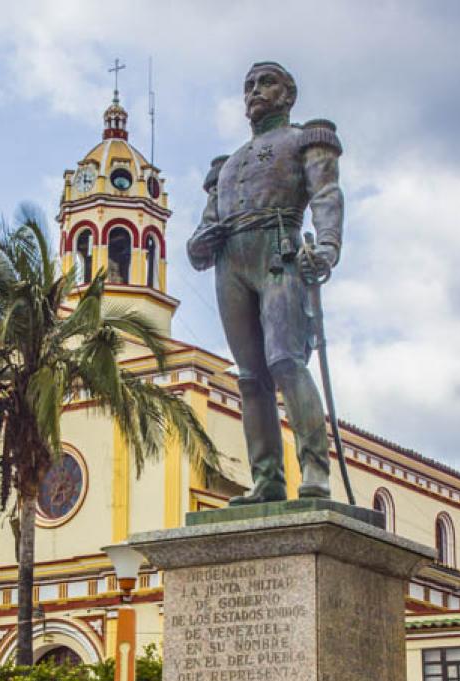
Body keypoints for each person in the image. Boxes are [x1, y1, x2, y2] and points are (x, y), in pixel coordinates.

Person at [187, 61, 344, 503]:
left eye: (266, 82)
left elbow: (327, 195)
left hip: (280, 251)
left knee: (284, 360)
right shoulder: (227, 164)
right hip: (230, 263)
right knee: (250, 377)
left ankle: (314, 468)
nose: (255, 91)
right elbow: (203, 229)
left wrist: (328, 246)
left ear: (287, 95)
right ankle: (267, 480)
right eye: (249, 85)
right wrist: (201, 242)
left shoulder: (305, 140)